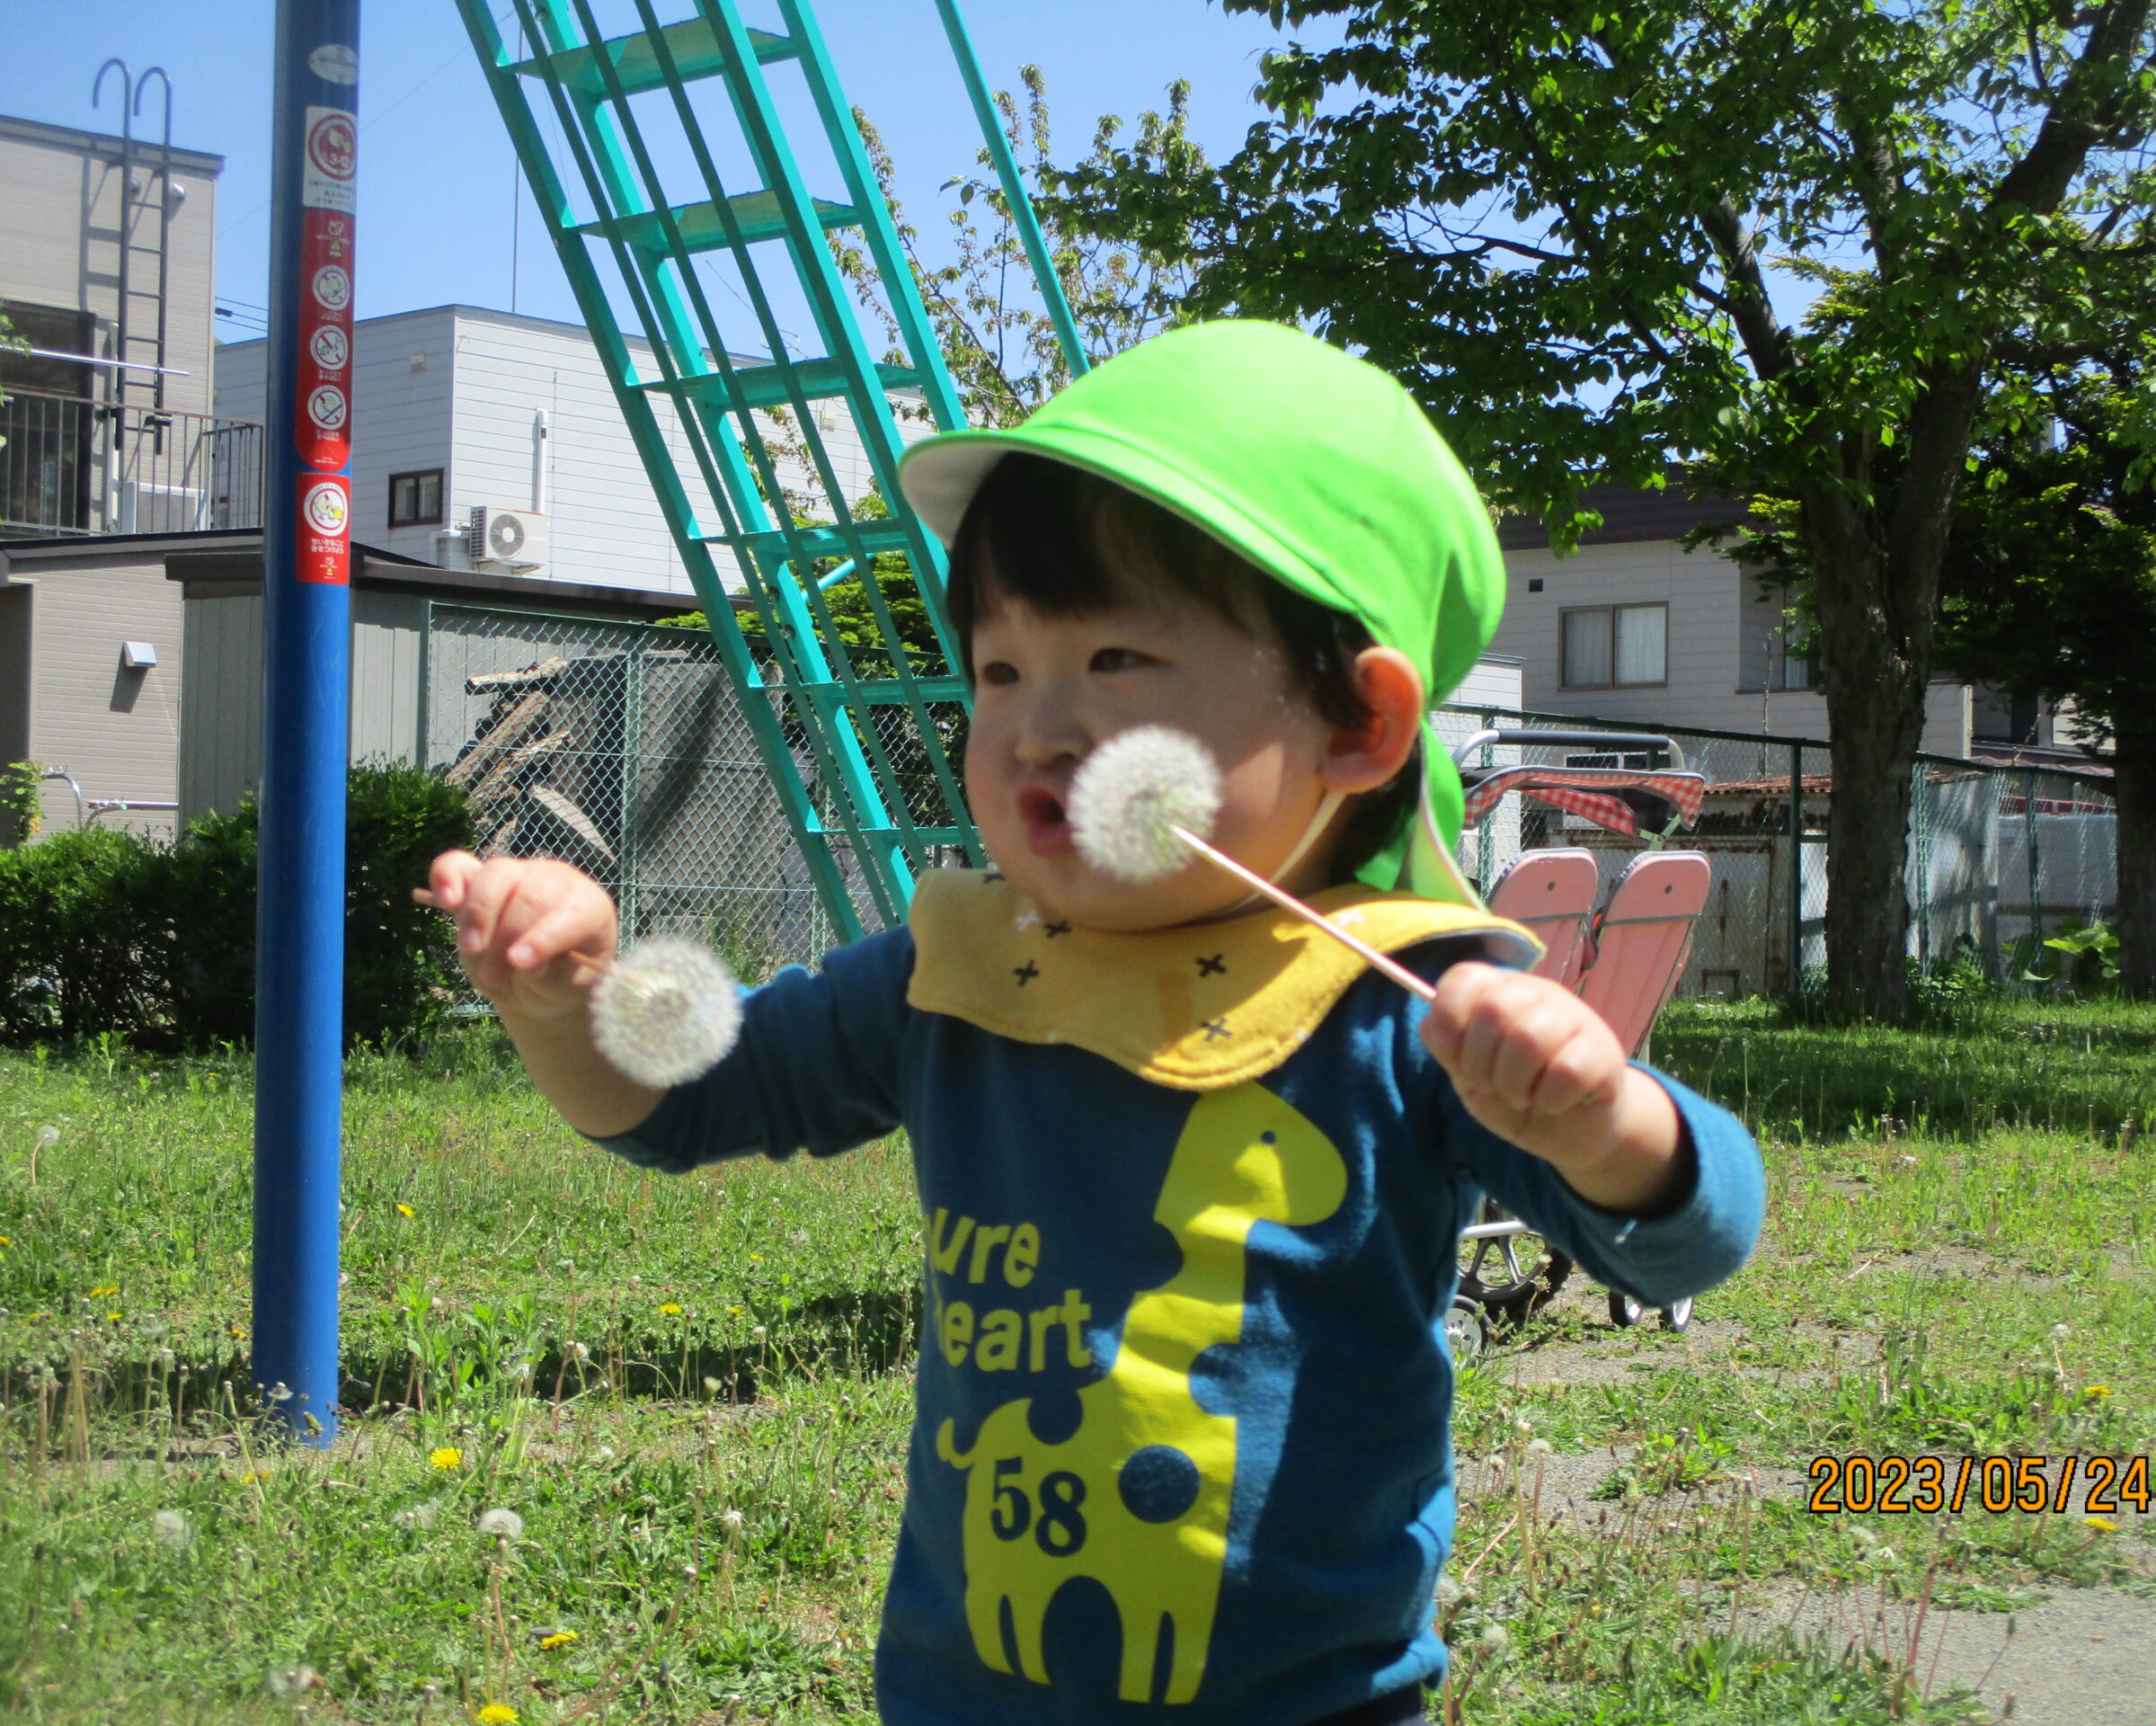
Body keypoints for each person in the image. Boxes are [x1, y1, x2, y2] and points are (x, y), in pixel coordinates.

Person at [426, 320, 1764, 1726]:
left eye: (1117, 658)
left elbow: (1688, 1233)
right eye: (999, 672)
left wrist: (1612, 1121)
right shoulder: (954, 972)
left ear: (1359, 726)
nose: (1033, 730)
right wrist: (567, 1007)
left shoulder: (1402, 1000)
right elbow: (685, 1101)